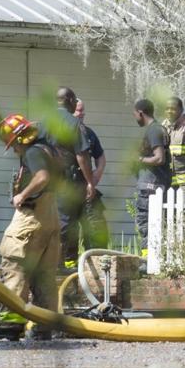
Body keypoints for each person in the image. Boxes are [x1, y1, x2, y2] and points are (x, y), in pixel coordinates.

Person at [0, 113, 63, 340]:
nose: (13, 150)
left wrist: (21, 195)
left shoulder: (33, 152)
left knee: (14, 266)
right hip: (51, 215)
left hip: (31, 216)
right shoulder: (49, 150)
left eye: (12, 145)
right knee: (44, 276)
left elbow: (42, 177)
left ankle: (11, 325)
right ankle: (44, 326)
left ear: (20, 139)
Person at [44, 87, 95, 270]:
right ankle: (59, 265)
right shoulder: (74, 124)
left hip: (47, 181)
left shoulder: (44, 122)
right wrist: (89, 181)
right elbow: (82, 155)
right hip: (68, 181)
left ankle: (53, 262)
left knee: (51, 220)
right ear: (70, 100)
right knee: (67, 222)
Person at [68, 98, 110, 264]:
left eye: (83, 110)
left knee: (95, 227)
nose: (82, 113)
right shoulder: (60, 134)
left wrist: (97, 174)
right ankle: (67, 264)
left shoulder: (89, 133)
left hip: (87, 189)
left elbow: (100, 157)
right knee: (67, 229)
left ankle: (96, 264)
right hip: (67, 189)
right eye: (78, 110)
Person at [133, 98, 171, 256]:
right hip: (152, 186)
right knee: (151, 224)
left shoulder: (154, 130)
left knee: (146, 223)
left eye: (134, 114)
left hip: (151, 187)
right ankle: (151, 258)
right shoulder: (156, 129)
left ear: (140, 113)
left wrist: (140, 160)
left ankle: (148, 260)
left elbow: (159, 158)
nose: (134, 118)